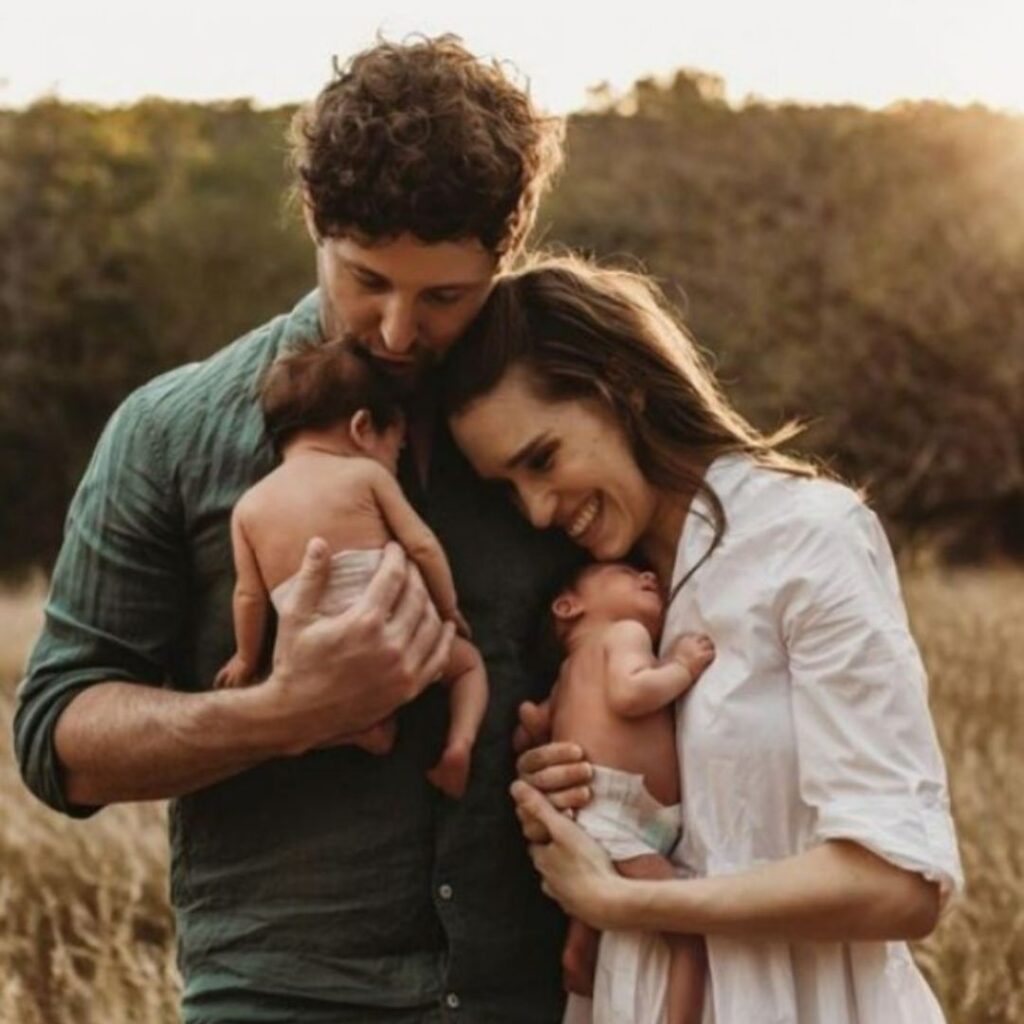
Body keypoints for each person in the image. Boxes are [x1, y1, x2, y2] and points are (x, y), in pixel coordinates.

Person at [15, 36, 583, 1023]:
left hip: (533, 995)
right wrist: (280, 713)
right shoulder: (168, 431)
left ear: (509, 248)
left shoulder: (564, 428)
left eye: (444, 296)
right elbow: (54, 741)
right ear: (314, 225)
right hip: (277, 1000)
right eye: (366, 280)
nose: (400, 330)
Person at [443, 254, 964, 1023]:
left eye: (543, 460)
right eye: (508, 489)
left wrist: (632, 899)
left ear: (620, 384)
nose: (539, 511)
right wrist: (573, 789)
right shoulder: (594, 597)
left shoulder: (805, 539)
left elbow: (900, 884)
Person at [214, 339, 487, 799]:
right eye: (395, 449)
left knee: (304, 713)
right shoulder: (365, 476)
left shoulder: (248, 508)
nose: (394, 462)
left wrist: (245, 658)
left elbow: (249, 595)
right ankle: (459, 747)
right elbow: (422, 547)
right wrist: (449, 607)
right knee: (468, 668)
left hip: (317, 662)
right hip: (395, 636)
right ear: (362, 427)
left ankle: (365, 732)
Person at [542, 559, 713, 1024]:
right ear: (568, 605)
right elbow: (629, 694)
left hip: (606, 811)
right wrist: (681, 667)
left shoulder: (566, 674)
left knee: (602, 883)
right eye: (625, 572)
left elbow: (536, 723)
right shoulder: (624, 633)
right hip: (619, 812)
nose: (648, 577)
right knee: (688, 934)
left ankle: (582, 942)